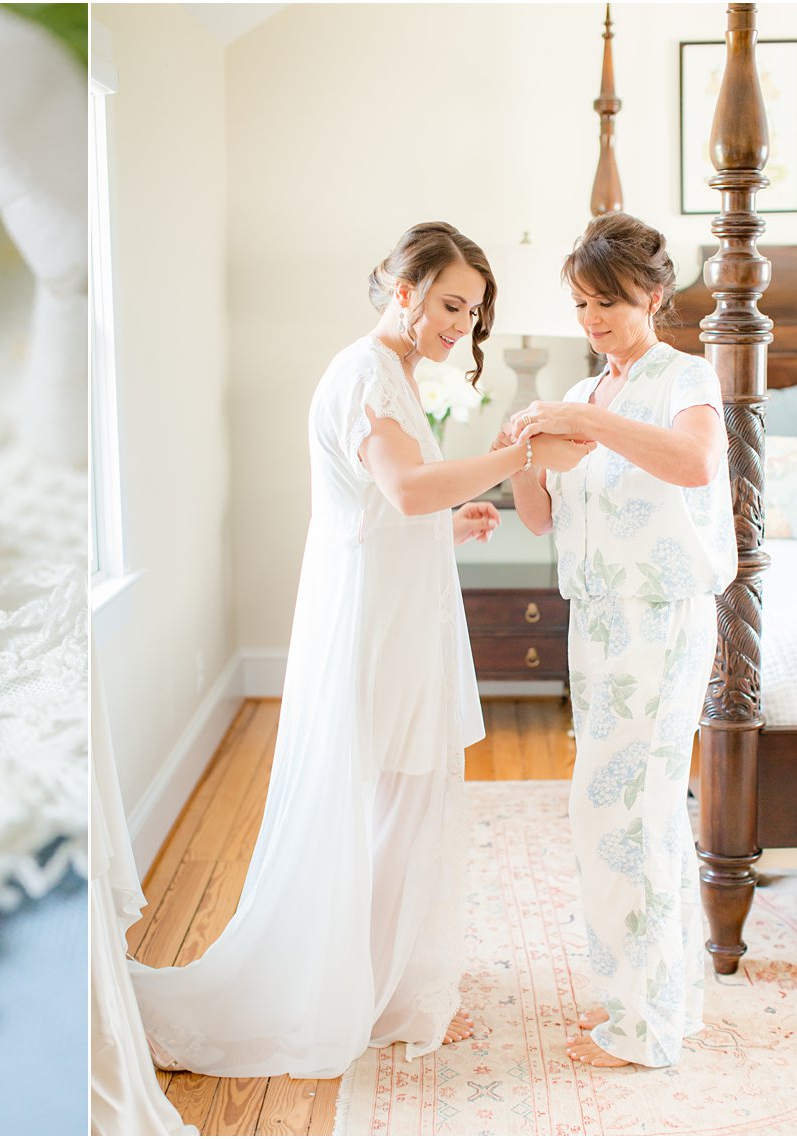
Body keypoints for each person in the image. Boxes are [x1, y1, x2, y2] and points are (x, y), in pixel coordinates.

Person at [128, 222, 594, 1078]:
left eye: (475, 311)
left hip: (391, 603)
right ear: (403, 288)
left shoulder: (393, 374)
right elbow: (406, 485)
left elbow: (384, 507)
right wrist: (516, 453)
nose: (463, 325)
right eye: (452, 304)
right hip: (373, 622)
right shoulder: (366, 373)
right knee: (387, 797)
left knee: (400, 797)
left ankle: (380, 986)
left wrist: (448, 524)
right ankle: (354, 990)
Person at [502, 211, 735, 1068]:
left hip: (660, 617)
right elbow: (543, 517)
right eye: (581, 303)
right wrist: (525, 450)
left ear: (655, 294)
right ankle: (663, 1003)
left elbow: (696, 464)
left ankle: (641, 1027)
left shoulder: (685, 376)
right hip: (597, 626)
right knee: (632, 817)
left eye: (608, 301)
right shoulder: (590, 393)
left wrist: (587, 424)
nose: (593, 319)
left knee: (620, 816)